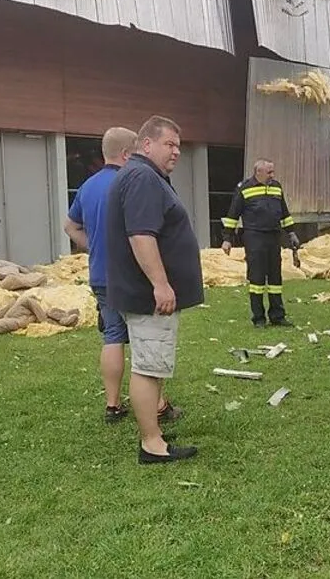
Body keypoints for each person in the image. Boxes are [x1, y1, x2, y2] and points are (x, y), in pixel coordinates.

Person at [64, 127, 180, 425]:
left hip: (100, 274)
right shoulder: (133, 181)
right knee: (147, 340)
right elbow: (143, 232)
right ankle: (157, 405)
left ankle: (112, 405)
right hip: (131, 276)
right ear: (129, 154)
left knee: (112, 335)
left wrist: (96, 246)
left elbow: (70, 226)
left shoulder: (87, 186)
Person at [106, 115, 204, 464]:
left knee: (155, 363)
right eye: (169, 144)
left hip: (147, 294)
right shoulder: (143, 178)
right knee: (148, 366)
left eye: (179, 145)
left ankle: (154, 431)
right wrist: (160, 284)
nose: (176, 151)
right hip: (148, 297)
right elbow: (141, 235)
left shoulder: (144, 176)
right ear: (146, 144)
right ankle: (151, 443)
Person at [221, 159, 298, 328]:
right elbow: (233, 214)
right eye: (269, 172)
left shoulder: (276, 187)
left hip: (273, 236)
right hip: (254, 237)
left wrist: (291, 232)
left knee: (275, 278)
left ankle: (277, 315)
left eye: (273, 172)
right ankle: (259, 318)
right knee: (256, 279)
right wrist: (227, 239)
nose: (272, 175)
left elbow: (284, 212)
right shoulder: (244, 188)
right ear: (258, 173)